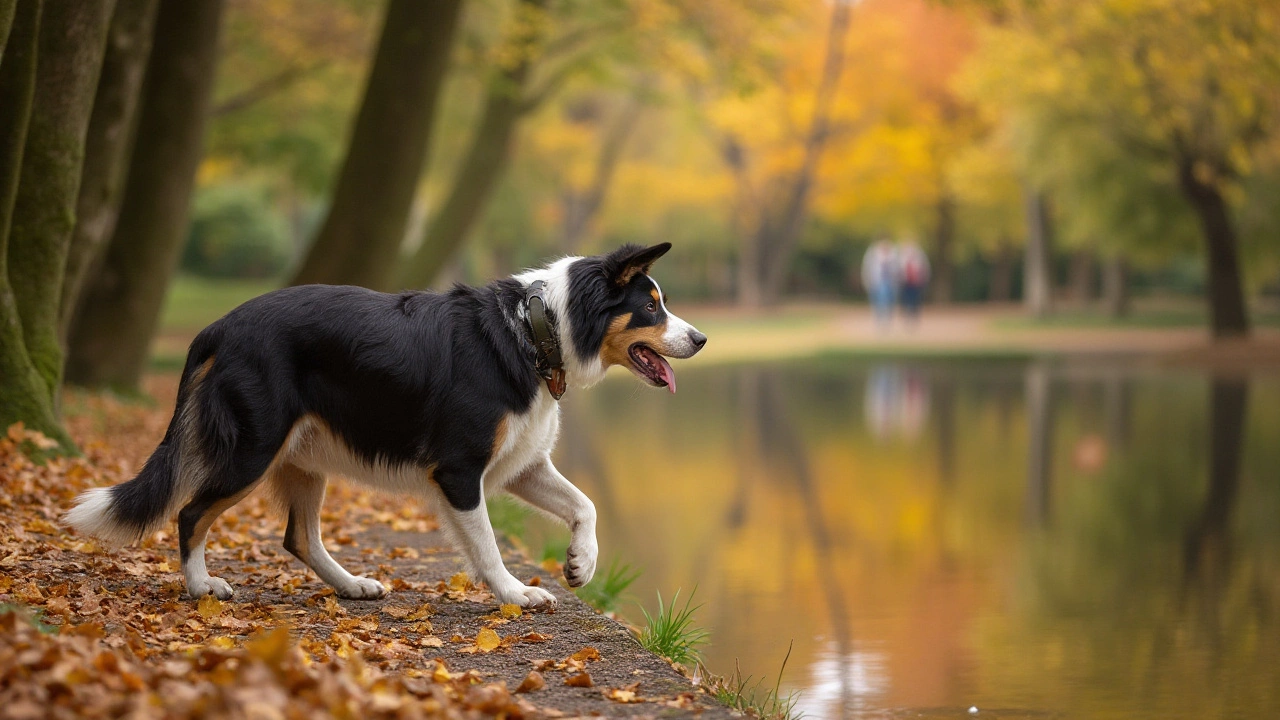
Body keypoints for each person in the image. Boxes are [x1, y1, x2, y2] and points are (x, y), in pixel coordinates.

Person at [861, 239, 899, 327]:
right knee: (879, 300)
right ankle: (880, 319)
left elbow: (897, 270)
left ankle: (885, 319)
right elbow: (867, 269)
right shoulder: (873, 255)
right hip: (877, 282)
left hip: (890, 282)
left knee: (888, 301)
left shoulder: (893, 256)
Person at [896, 240, 930, 323]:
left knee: (915, 300)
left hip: (916, 283)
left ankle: (914, 316)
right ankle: (906, 316)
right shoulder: (901, 258)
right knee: (905, 299)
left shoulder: (919, 258)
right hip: (905, 282)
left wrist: (923, 279)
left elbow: (924, 269)